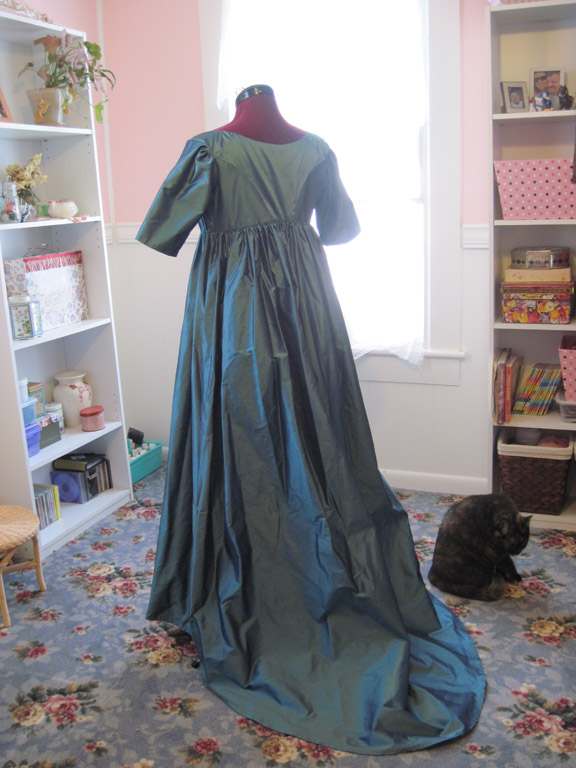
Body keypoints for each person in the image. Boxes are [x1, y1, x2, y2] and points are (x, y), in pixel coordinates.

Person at [136, 84, 485, 755]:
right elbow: (341, 229)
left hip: (233, 312)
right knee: (314, 436)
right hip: (306, 308)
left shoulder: (209, 152)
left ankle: (258, 575)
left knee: (241, 434)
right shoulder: (315, 151)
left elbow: (160, 231)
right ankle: (299, 567)